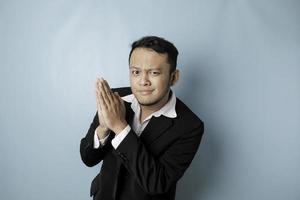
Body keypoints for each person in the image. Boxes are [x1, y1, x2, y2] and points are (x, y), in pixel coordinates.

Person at [80, 36, 204, 200]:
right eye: (136, 72)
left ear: (173, 77)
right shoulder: (115, 99)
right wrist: (103, 129)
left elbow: (157, 183)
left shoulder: (190, 126)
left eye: (154, 73)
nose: (143, 81)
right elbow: (88, 158)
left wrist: (119, 127)